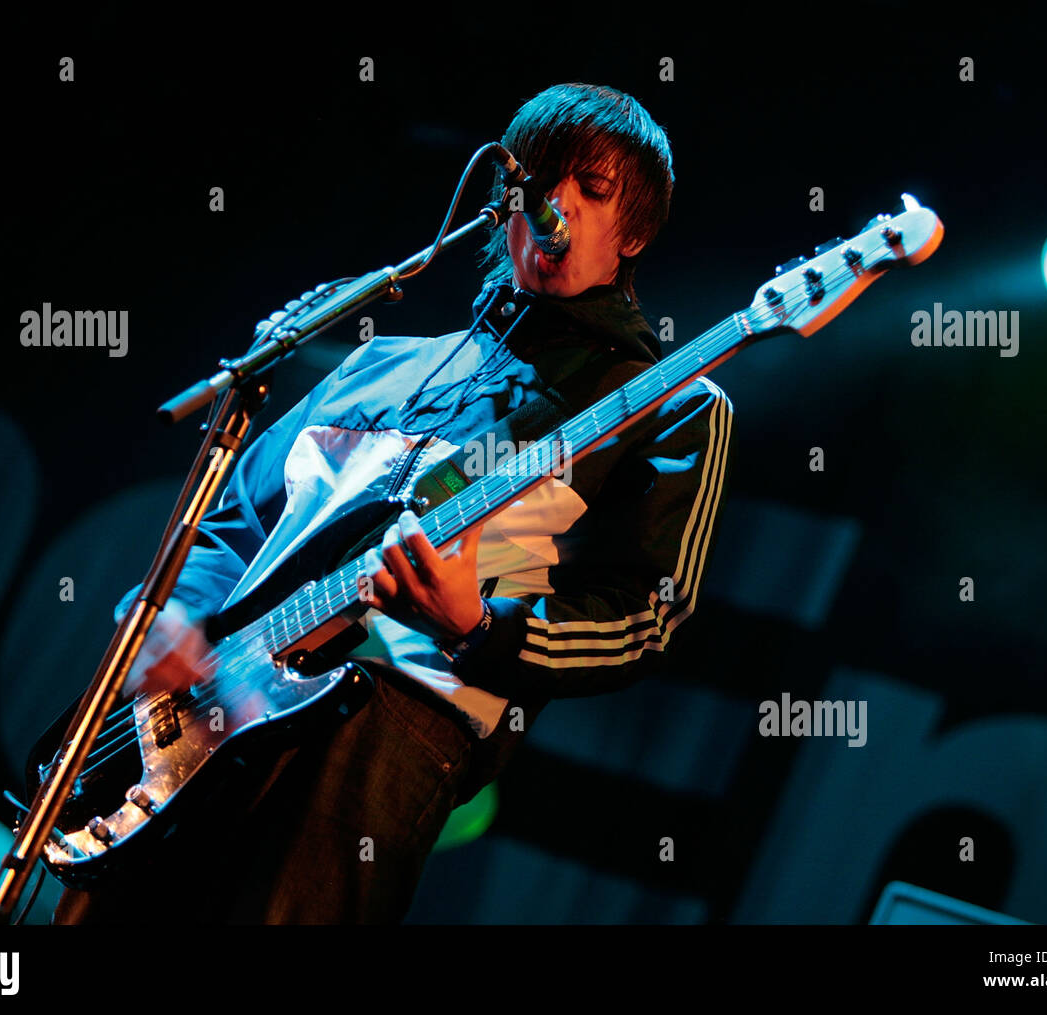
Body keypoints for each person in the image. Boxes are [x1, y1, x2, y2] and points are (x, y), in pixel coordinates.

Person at [52, 82, 734, 924]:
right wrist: (174, 615)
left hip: (381, 746)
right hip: (198, 725)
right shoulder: (377, 364)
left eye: (591, 191)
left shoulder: (664, 404)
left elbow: (645, 614)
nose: (557, 204)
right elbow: (234, 523)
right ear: (503, 199)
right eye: (540, 181)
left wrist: (478, 626)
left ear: (632, 233)